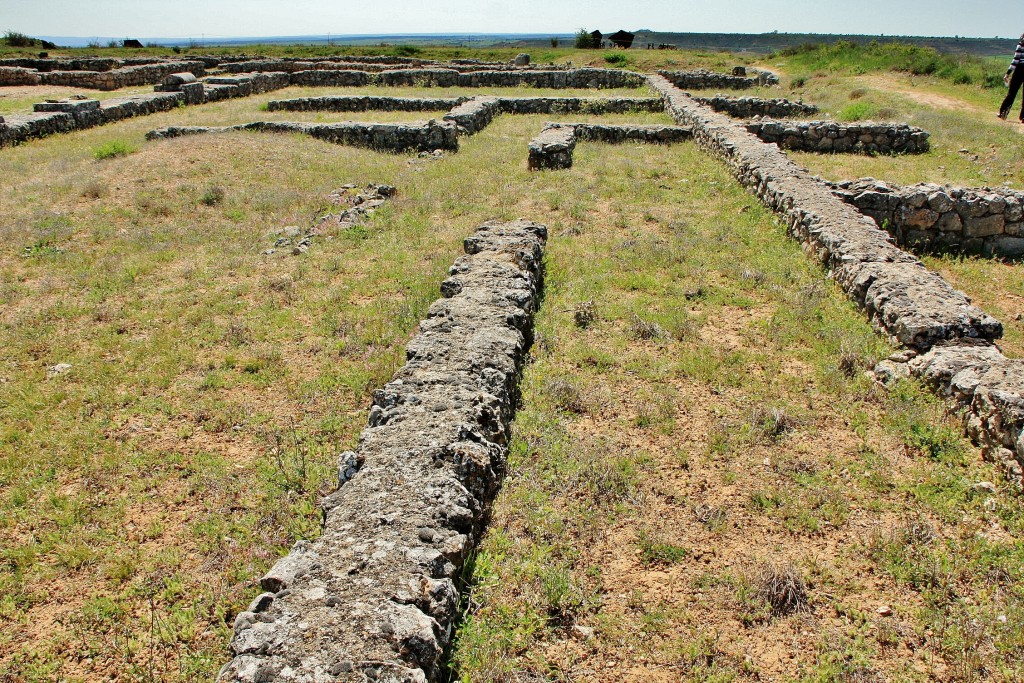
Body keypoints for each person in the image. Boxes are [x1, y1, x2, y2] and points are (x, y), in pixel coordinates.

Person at [999, 33, 1024, 121]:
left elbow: (1015, 60)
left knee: (1012, 92)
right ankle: (1023, 117)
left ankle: (1003, 113)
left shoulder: (1021, 45)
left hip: (1020, 69)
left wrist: (1007, 73)